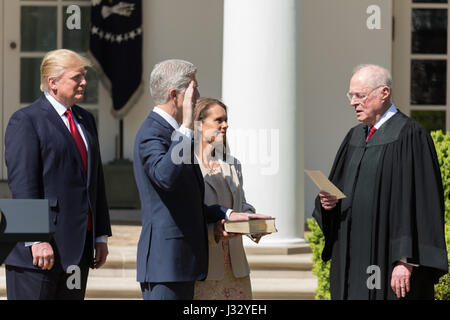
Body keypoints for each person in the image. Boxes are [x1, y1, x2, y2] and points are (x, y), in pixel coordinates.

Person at [133, 59, 268, 300]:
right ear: (175, 95)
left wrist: (226, 214)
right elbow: (165, 178)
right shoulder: (154, 132)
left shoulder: (177, 137)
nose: (198, 97)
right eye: (194, 90)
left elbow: (189, 202)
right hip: (167, 263)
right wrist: (186, 126)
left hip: (184, 263)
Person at [313, 64, 448, 300]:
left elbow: (424, 204)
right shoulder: (354, 137)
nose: (352, 102)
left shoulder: (411, 136)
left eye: (360, 95)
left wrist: (406, 261)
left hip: (388, 262)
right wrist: (328, 204)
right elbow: (337, 191)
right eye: (350, 95)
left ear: (383, 93)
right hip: (351, 260)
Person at [4, 49, 112, 300]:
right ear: (52, 83)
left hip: (79, 249)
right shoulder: (26, 120)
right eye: (77, 77)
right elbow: (22, 184)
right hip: (38, 253)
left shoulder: (86, 119)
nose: (84, 82)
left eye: (84, 77)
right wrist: (35, 238)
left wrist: (99, 234)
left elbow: (95, 181)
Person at [191, 98, 268, 300]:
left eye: (226, 120)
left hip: (236, 269)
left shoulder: (232, 164)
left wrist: (253, 222)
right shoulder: (186, 165)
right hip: (203, 269)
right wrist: (213, 231)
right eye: (219, 120)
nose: (225, 125)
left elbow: (241, 204)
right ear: (199, 124)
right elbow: (188, 214)